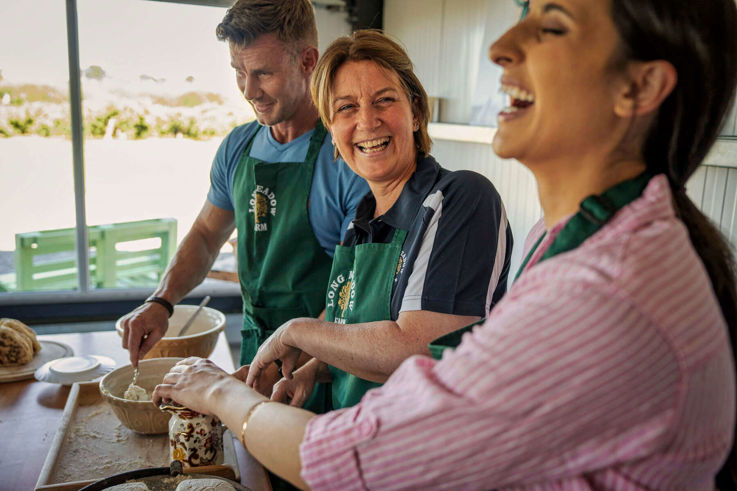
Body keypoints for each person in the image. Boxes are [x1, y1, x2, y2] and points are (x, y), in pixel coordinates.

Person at [153, 0, 737, 488]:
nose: (501, 47)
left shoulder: (604, 291)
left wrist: (221, 392)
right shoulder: (563, 241)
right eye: (345, 109)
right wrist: (322, 367)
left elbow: (364, 457)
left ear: (640, 86)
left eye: (551, 24)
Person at [243, 30, 512, 411]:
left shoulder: (461, 198)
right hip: (352, 447)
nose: (367, 122)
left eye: (384, 100)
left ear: (415, 113)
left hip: (423, 457)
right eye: (347, 108)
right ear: (332, 131)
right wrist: (311, 371)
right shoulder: (362, 221)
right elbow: (358, 329)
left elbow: (415, 349)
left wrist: (296, 332)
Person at [118, 0, 369, 383]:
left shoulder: (347, 157)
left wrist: (281, 367)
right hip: (257, 350)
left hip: (326, 367)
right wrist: (162, 301)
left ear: (307, 61)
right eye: (239, 72)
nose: (249, 91)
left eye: (263, 73)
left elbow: (357, 290)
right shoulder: (239, 146)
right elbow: (205, 235)